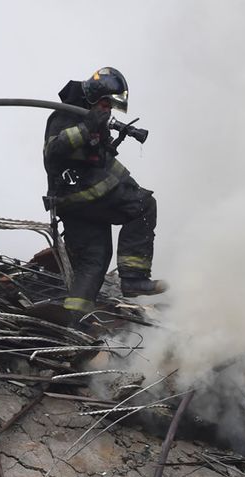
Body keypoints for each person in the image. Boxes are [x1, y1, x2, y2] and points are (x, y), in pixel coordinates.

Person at [43, 67, 167, 324]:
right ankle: (133, 279)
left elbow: (97, 159)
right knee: (144, 204)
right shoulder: (67, 115)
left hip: (78, 203)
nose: (108, 109)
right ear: (94, 96)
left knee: (95, 259)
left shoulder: (94, 119)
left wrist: (109, 141)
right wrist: (88, 128)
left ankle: (74, 321)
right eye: (105, 103)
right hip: (81, 195)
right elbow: (54, 150)